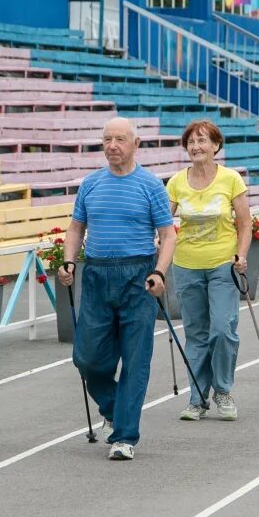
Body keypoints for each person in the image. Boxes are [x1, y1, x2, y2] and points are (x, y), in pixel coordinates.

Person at [58, 117, 176, 461]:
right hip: (96, 274)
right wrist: (68, 261)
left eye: (120, 139)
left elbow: (168, 236)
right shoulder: (91, 184)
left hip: (138, 275)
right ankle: (113, 410)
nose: (112, 146)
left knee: (136, 361)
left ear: (135, 144)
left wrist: (159, 272)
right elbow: (76, 228)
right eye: (107, 139)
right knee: (86, 358)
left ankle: (124, 435)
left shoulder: (151, 185)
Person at [166, 120, 251, 422]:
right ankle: (197, 398)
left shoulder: (231, 180)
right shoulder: (176, 182)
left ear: (216, 145)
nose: (196, 147)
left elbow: (244, 223)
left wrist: (241, 255)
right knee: (196, 334)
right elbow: (164, 223)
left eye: (203, 141)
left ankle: (223, 390)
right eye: (191, 142)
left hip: (222, 265)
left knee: (222, 329)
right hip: (186, 266)